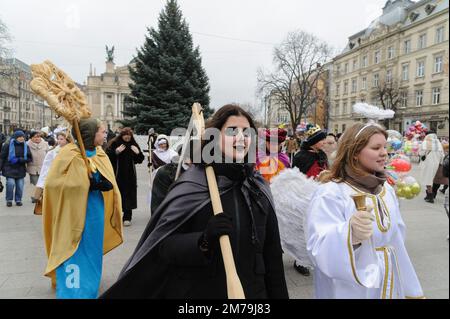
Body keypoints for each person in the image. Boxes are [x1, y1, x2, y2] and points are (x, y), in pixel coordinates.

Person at [101, 104, 289, 299]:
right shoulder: (192, 184)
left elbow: (272, 256)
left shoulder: (258, 187)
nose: (241, 137)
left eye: (247, 132)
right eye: (233, 131)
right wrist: (203, 240)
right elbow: (164, 249)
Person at [306, 122, 424, 299]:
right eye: (376, 147)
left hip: (387, 282)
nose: (384, 153)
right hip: (350, 286)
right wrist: (349, 235)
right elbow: (317, 247)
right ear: (354, 153)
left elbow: (397, 241)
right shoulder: (330, 193)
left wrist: (409, 287)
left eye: (385, 146)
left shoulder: (387, 190)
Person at [42, 118, 123, 298]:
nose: (105, 135)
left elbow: (107, 175)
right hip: (73, 212)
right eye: (101, 132)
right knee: (74, 247)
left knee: (92, 247)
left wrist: (103, 182)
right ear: (90, 134)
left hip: (95, 209)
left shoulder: (99, 153)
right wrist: (85, 184)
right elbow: (53, 184)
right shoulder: (69, 154)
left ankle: (90, 282)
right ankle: (74, 290)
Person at [106, 127, 145, 226]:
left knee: (129, 196)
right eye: (125, 135)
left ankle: (127, 217)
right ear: (122, 135)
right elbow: (107, 156)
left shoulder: (133, 145)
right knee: (117, 195)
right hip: (117, 174)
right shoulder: (115, 143)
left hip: (130, 176)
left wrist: (138, 153)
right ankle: (116, 216)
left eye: (129, 135)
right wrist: (116, 152)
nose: (127, 137)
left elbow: (139, 160)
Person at [34, 130, 73, 213]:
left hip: (69, 181)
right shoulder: (52, 152)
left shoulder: (73, 152)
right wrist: (41, 184)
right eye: (58, 139)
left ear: (68, 140)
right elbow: (46, 168)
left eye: (62, 139)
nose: (59, 141)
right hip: (55, 180)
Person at [0, 130, 32, 207]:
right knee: (10, 184)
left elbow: (29, 158)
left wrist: (19, 160)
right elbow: (2, 157)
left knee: (20, 186)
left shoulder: (25, 146)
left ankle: (18, 200)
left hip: (20, 168)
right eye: (19, 137)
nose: (21, 138)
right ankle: (9, 200)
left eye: (23, 137)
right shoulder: (7, 145)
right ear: (15, 137)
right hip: (9, 168)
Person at [420, 132, 445, 203]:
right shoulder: (439, 144)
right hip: (437, 164)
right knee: (433, 179)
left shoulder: (425, 142)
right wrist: (440, 163)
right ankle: (430, 195)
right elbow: (442, 155)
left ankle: (430, 196)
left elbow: (421, 153)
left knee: (428, 179)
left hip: (427, 164)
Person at [27, 131, 49, 203]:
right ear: (31, 138)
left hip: (43, 167)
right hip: (32, 167)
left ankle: (42, 197)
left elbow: (48, 155)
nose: (37, 138)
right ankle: (35, 197)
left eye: (39, 137)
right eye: (35, 137)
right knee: (35, 183)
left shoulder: (45, 144)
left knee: (43, 183)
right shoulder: (27, 145)